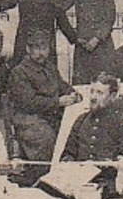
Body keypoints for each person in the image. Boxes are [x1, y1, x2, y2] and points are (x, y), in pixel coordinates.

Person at [5, 30, 80, 162]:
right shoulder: (19, 72)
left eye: (44, 48)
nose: (41, 53)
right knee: (47, 138)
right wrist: (58, 102)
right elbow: (28, 103)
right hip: (28, 119)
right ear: (28, 49)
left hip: (51, 116)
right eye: (37, 48)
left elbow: (62, 85)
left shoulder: (50, 67)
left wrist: (73, 93)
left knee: (75, 131)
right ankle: (45, 172)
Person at [61, 0, 118, 84]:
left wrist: (97, 38)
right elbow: (60, 8)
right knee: (82, 83)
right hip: (83, 46)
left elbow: (110, 18)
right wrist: (74, 37)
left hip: (102, 46)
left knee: (104, 83)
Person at [61, 71, 123, 164]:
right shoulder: (81, 120)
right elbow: (68, 153)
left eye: (99, 93)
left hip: (104, 177)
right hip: (79, 175)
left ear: (112, 96)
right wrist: (68, 162)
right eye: (92, 92)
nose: (93, 97)